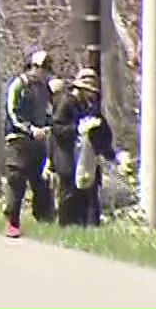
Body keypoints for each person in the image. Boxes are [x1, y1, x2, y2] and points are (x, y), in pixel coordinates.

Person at [51, 67, 120, 226]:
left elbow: (103, 132)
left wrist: (110, 155)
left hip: (88, 161)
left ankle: (89, 228)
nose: (91, 94)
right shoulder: (66, 103)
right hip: (69, 159)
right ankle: (67, 229)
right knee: (69, 198)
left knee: (90, 199)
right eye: (88, 90)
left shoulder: (91, 107)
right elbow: (57, 129)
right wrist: (77, 129)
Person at [2, 48, 55, 238]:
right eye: (42, 68)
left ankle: (46, 222)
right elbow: (12, 112)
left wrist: (49, 127)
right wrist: (30, 129)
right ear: (33, 66)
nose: (44, 73)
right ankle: (12, 222)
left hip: (39, 143)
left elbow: (48, 112)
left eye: (47, 69)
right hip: (18, 141)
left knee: (41, 182)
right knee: (16, 181)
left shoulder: (45, 89)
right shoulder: (19, 85)